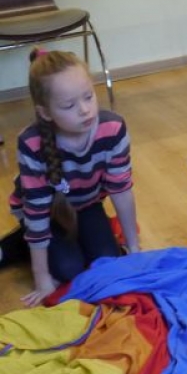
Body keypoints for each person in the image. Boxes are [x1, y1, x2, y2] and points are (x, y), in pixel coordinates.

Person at [0, 49, 140, 308]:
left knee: (106, 260)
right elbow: (37, 213)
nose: (85, 110)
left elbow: (121, 190)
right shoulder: (31, 143)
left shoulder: (113, 128)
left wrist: (134, 249)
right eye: (69, 105)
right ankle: (17, 244)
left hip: (86, 203)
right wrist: (42, 277)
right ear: (45, 112)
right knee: (69, 268)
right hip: (46, 214)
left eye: (89, 96)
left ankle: (64, 241)